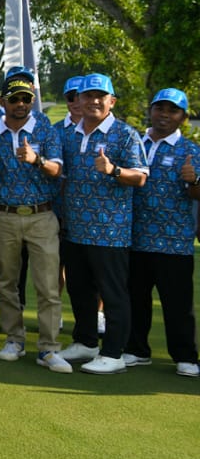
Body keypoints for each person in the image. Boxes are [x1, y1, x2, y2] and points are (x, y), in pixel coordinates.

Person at [56, 75, 149, 374]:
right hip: (75, 229)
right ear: (78, 100)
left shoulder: (125, 134)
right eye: (87, 96)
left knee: (112, 294)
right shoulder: (70, 134)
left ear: (112, 101)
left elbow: (141, 176)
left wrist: (113, 170)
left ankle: (113, 353)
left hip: (110, 232)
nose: (93, 101)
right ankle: (86, 342)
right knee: (80, 290)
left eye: (100, 96)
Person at [0, 76, 69, 371]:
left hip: (41, 216)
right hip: (4, 215)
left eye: (26, 99)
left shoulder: (45, 128)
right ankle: (14, 339)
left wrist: (36, 160)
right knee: (7, 283)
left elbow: (57, 169)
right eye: (15, 99)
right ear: (2, 102)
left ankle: (48, 348)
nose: (21, 104)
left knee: (47, 286)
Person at [127, 88, 200, 376]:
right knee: (136, 299)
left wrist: (195, 180)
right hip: (135, 237)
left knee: (177, 304)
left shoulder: (191, 150)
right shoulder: (135, 142)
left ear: (183, 117)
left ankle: (185, 357)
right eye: (160, 108)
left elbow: (197, 194)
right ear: (151, 110)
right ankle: (136, 350)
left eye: (173, 110)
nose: (165, 115)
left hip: (174, 241)